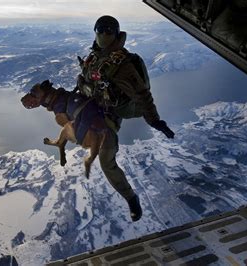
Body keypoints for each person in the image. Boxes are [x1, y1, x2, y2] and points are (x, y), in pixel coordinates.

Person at [75, 15, 175, 222]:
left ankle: (131, 198)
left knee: (105, 161)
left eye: (109, 30)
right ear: (94, 31)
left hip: (109, 115)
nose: (103, 34)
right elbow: (89, 82)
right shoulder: (93, 58)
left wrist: (155, 121)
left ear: (116, 34)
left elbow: (143, 95)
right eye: (100, 29)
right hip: (92, 107)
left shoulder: (122, 64)